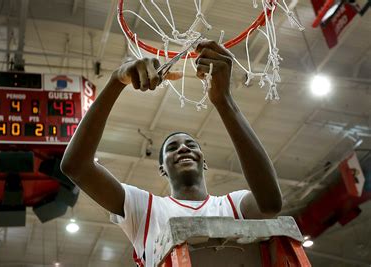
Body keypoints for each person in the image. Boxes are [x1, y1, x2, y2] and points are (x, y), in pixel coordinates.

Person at [60, 40, 282, 266]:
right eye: (172, 148)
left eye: (191, 145)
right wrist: (116, 80)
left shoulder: (233, 204)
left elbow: (271, 204)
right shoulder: (145, 208)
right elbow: (75, 166)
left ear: (204, 162)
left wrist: (225, 101)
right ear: (162, 168)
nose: (184, 148)